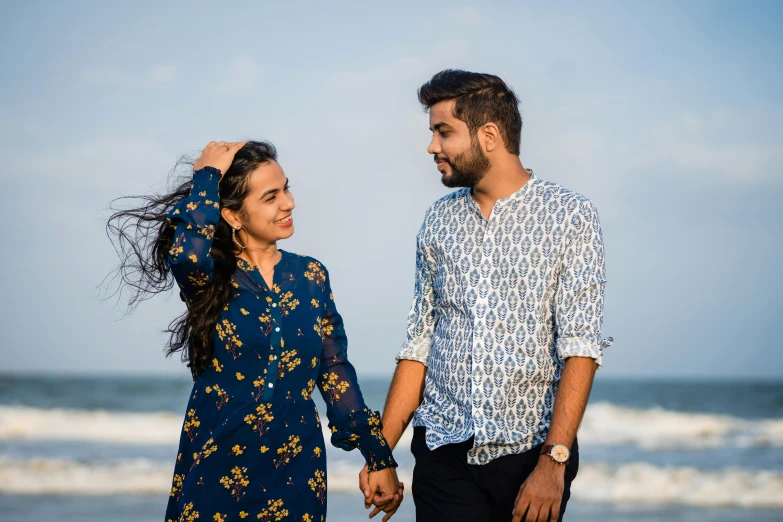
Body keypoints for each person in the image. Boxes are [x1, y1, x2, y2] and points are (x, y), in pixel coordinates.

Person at [360, 70, 612, 522]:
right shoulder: (437, 221)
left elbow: (580, 346)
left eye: (444, 132)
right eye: (432, 133)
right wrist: (381, 453)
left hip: (528, 453)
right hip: (442, 451)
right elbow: (419, 344)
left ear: (489, 135)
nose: (432, 147)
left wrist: (552, 464)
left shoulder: (571, 216)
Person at [108, 140, 403, 522]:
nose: (289, 203)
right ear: (232, 216)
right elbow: (186, 255)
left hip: (297, 463)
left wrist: (377, 455)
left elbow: (333, 369)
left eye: (286, 188)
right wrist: (207, 177)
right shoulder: (210, 278)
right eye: (270, 197)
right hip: (218, 458)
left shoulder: (311, 275)